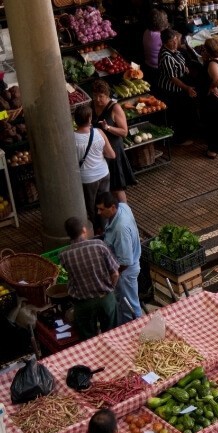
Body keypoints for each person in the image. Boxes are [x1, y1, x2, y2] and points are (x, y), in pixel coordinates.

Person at [60, 216, 119, 340]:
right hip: (105, 299)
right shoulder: (99, 245)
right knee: (112, 336)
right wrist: (110, 290)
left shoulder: (64, 255)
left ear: (69, 235)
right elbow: (115, 273)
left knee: (88, 340)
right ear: (84, 230)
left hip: (83, 304)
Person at [96, 193, 142, 324]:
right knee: (121, 302)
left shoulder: (120, 230)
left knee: (130, 305)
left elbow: (125, 262)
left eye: (101, 209)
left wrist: (114, 275)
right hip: (123, 267)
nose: (98, 212)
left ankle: (136, 327)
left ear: (112, 208)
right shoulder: (122, 207)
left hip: (125, 272)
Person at [92, 79, 137, 203]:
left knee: (117, 187)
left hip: (113, 150)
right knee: (106, 186)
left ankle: (125, 213)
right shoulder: (92, 105)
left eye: (101, 96)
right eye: (95, 96)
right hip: (99, 151)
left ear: (107, 95)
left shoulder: (114, 108)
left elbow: (124, 132)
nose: (97, 99)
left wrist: (108, 127)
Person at [74, 104, 114, 232]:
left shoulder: (71, 138)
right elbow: (111, 154)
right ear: (90, 119)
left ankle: (96, 229)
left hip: (87, 178)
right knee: (103, 202)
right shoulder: (99, 133)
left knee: (91, 206)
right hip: (103, 173)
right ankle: (106, 228)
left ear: (75, 120)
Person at [157, 28, 197, 145]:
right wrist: (187, 88)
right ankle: (179, 139)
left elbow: (178, 59)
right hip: (171, 90)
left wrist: (183, 67)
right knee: (177, 114)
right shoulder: (166, 57)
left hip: (179, 87)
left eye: (175, 40)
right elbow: (172, 78)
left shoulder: (173, 50)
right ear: (165, 43)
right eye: (172, 41)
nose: (175, 43)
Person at [142, 9, 169, 82]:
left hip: (148, 64)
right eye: (166, 19)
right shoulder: (160, 37)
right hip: (158, 68)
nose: (167, 20)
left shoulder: (147, 31)